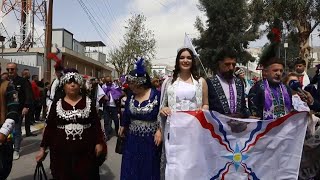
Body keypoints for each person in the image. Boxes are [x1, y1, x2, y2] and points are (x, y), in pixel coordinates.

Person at [35, 69, 107, 180]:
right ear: (63, 85)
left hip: (86, 152)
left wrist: (99, 143)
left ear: (80, 85)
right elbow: (50, 127)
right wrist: (42, 149)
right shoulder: (57, 104)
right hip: (60, 152)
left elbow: (96, 125)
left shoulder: (88, 103)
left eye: (75, 82)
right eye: (69, 82)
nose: (72, 85)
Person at [159, 47, 209, 179]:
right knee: (175, 165)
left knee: (193, 164)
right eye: (182, 58)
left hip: (194, 131)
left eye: (188, 58)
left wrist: (203, 110)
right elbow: (162, 106)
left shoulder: (201, 82)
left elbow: (206, 104)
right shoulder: (168, 82)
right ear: (177, 61)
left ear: (193, 61)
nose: (185, 60)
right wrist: (164, 110)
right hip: (174, 132)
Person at [118, 58, 162, 180]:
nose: (129, 86)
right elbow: (126, 113)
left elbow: (162, 116)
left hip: (150, 140)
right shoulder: (131, 96)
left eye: (132, 83)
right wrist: (123, 125)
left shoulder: (157, 96)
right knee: (131, 168)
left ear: (140, 82)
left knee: (148, 169)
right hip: (132, 139)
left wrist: (160, 130)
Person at [206, 47, 250, 118]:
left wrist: (242, 115)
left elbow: (243, 107)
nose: (231, 68)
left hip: (238, 126)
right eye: (227, 64)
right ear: (219, 63)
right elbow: (207, 110)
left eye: (233, 64)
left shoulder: (239, 83)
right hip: (217, 127)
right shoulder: (209, 83)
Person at [6, 63, 33, 160]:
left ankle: (16, 150)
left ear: (16, 70)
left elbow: (28, 94)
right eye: (8, 69)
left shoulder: (22, 81)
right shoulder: (5, 81)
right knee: (7, 130)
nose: (10, 71)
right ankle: (9, 147)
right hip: (6, 110)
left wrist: (26, 106)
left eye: (12, 69)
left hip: (18, 110)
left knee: (16, 130)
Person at [0, 65, 19, 179]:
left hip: (2, 133)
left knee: (4, 168)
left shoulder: (7, 86)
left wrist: (4, 132)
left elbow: (13, 110)